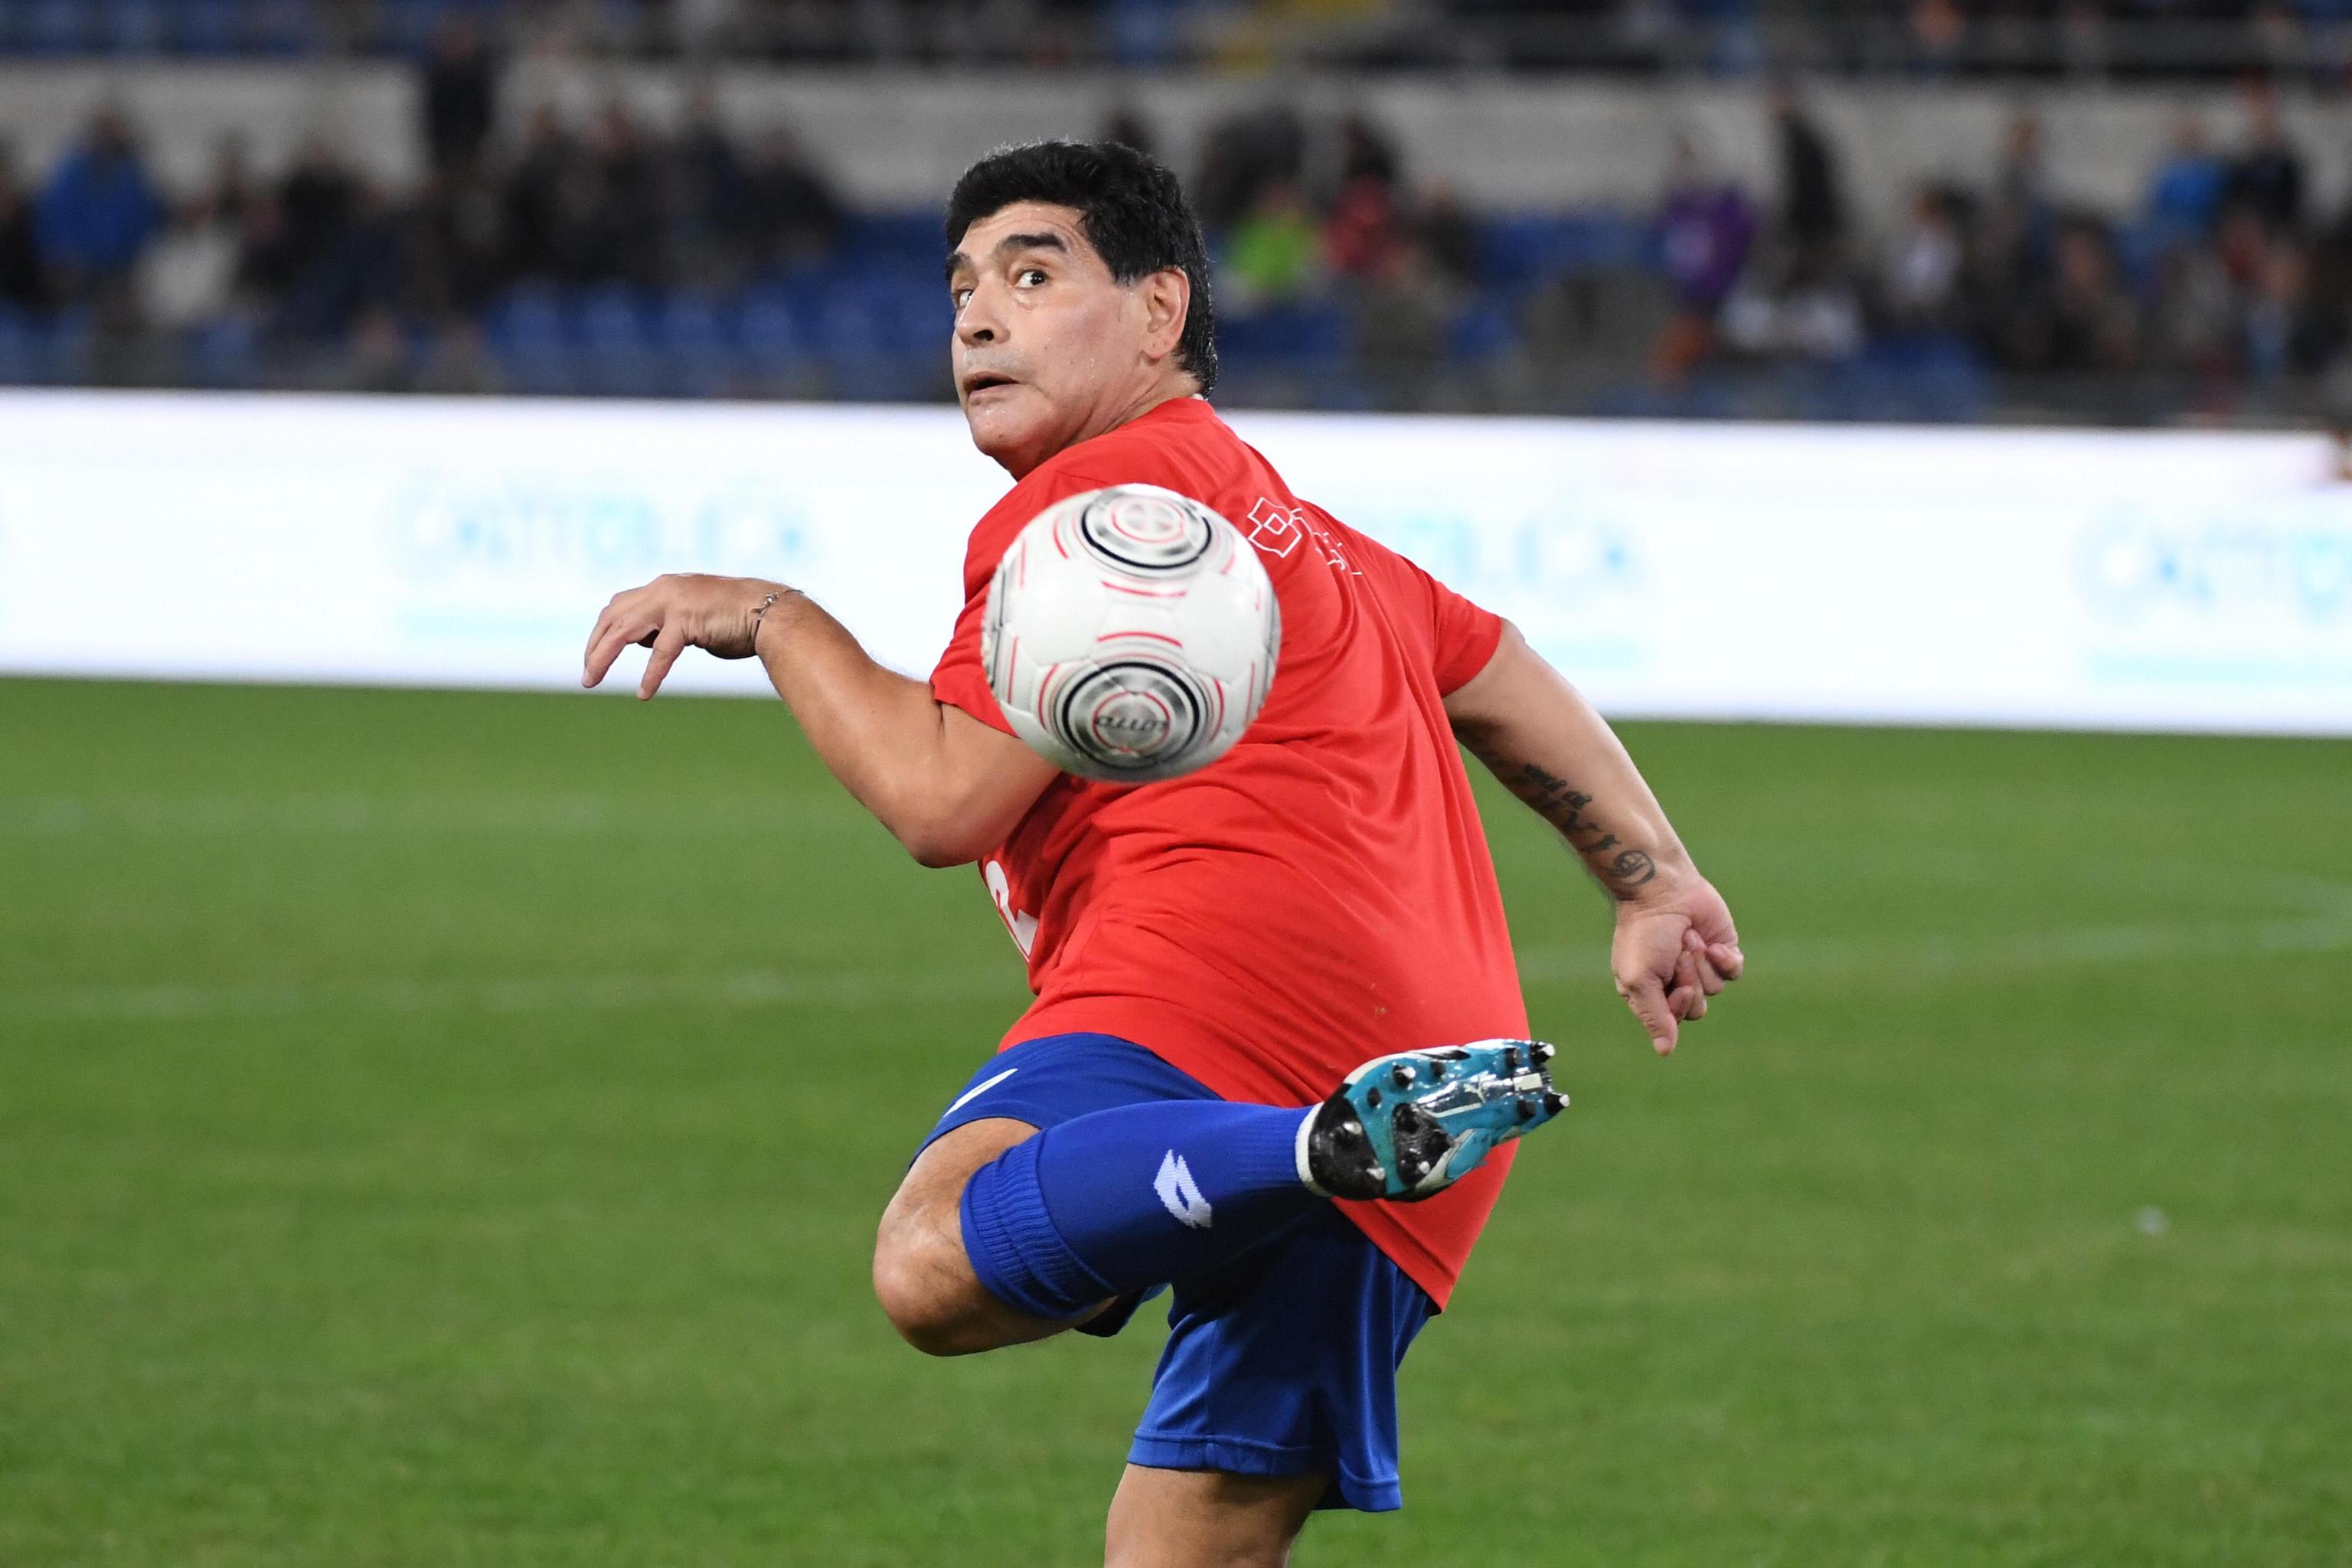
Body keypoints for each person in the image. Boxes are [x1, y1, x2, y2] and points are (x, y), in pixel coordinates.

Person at [578, 140, 1742, 1568]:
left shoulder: (1104, 514)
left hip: (1219, 996)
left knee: (934, 1257)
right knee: (1185, 1550)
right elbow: (1490, 665)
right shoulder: (1277, 516)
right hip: (1441, 1053)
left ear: (1159, 308)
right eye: (962, 287)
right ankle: (1329, 1148)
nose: (977, 317)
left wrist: (773, 616)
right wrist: (1651, 879)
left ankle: (1309, 1147)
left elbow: (942, 801)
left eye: (1032, 275)